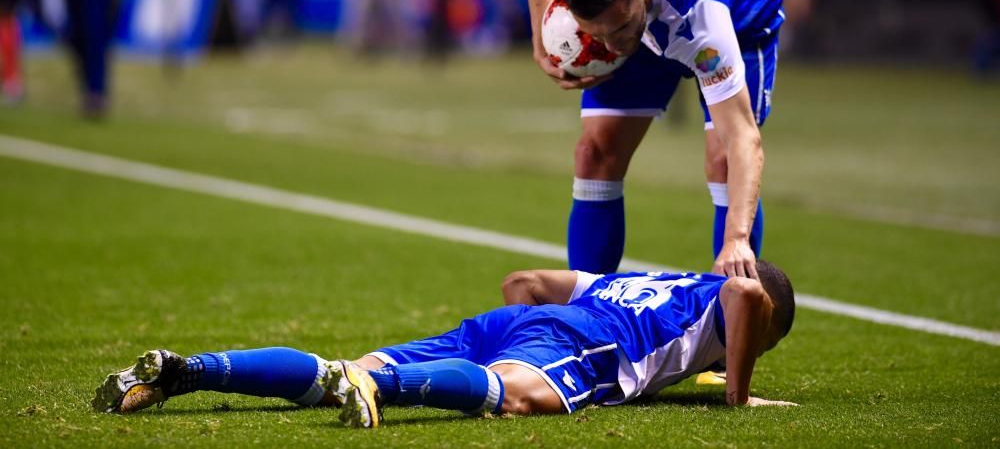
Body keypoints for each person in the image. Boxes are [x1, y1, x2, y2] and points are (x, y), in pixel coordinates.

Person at [92, 261, 796, 428]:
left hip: (506, 324)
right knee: (518, 396)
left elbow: (524, 280)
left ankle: (189, 371)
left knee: (344, 366)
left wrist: (509, 336)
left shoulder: (647, 277)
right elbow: (744, 295)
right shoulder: (723, 295)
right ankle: (383, 390)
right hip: (581, 340)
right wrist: (738, 391)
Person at [525, 0, 785, 277]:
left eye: (615, 30)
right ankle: (586, 314)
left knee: (724, 161)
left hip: (741, 20)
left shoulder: (703, 23)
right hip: (647, 30)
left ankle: (723, 313)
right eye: (594, 35)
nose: (609, 47)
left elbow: (743, 139)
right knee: (595, 152)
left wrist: (737, 240)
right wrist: (539, 39)